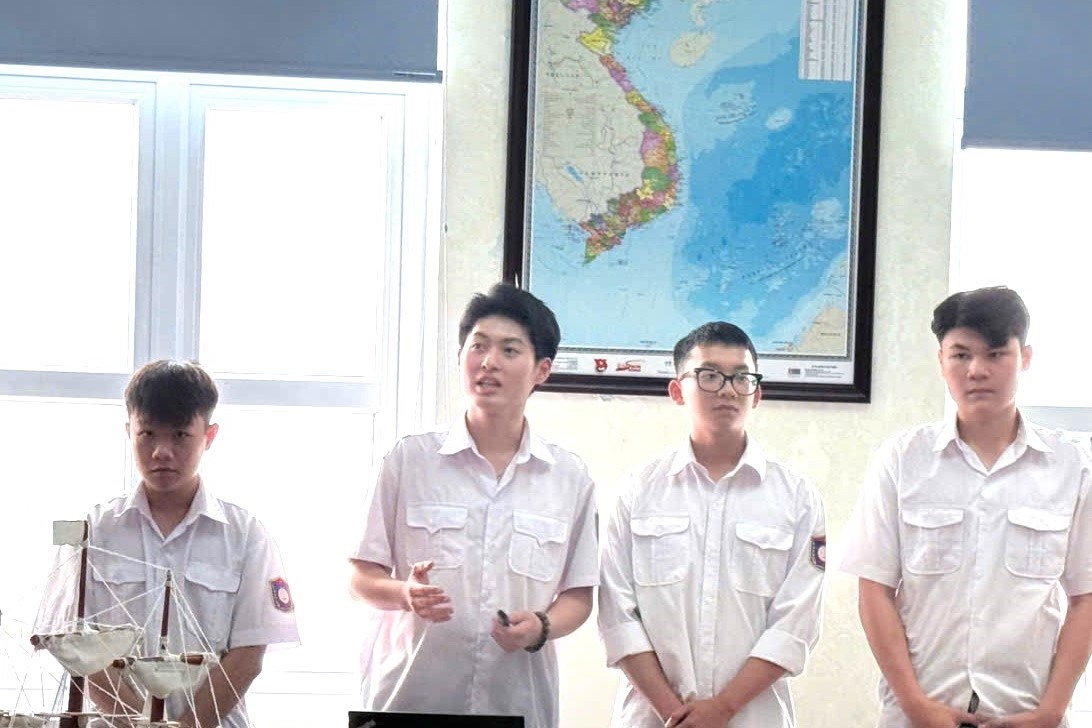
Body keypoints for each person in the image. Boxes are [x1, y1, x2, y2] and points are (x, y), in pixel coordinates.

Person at [349, 283, 598, 728]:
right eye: (478, 346)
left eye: (509, 350)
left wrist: (541, 627)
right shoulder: (408, 460)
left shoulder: (568, 477)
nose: (488, 362)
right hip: (409, 699)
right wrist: (404, 594)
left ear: (542, 370)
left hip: (517, 703)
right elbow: (360, 577)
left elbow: (579, 596)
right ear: (460, 356)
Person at [841, 286, 1092, 728]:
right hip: (918, 712)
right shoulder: (903, 460)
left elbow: (1085, 597)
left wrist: (1052, 711)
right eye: (961, 355)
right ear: (941, 360)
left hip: (1027, 712)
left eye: (995, 354)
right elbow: (875, 590)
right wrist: (916, 705)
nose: (977, 370)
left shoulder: (1072, 466)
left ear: (1025, 358)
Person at [598, 321, 826, 728]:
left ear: (757, 394)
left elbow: (796, 623)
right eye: (709, 376)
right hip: (652, 718)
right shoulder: (638, 491)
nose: (727, 389)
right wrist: (675, 714)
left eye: (741, 377)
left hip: (754, 717)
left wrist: (721, 710)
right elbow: (618, 615)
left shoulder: (797, 498)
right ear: (677, 391)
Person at [82, 360, 299, 728]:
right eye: (147, 434)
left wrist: (188, 726)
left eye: (180, 435)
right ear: (129, 432)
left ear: (209, 436)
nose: (161, 451)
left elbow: (249, 654)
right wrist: (138, 725)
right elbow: (80, 651)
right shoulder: (95, 531)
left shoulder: (245, 534)